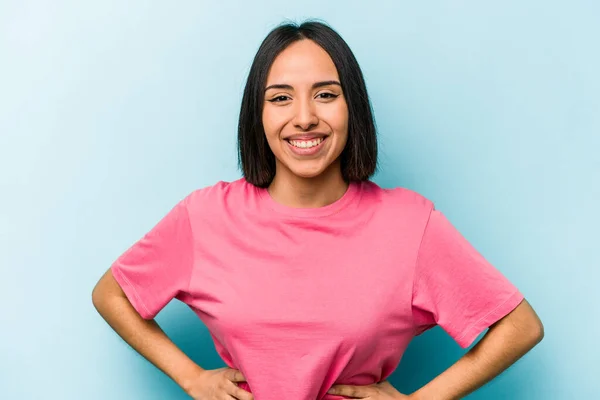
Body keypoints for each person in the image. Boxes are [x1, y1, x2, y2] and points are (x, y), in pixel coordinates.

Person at [92, 20, 544, 400]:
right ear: (258, 115)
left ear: (353, 108)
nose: (304, 117)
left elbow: (520, 326)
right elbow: (111, 293)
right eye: (281, 97)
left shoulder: (409, 224)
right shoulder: (206, 216)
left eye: (326, 94)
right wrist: (191, 376)